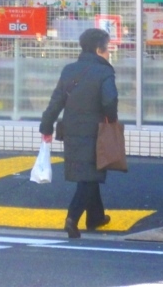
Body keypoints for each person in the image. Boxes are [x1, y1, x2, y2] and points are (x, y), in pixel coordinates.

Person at [40, 28, 119, 239]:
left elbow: (56, 101)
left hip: (71, 129)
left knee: (88, 172)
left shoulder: (69, 70)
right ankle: (72, 218)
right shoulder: (105, 72)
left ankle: (95, 217)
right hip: (96, 130)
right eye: (108, 47)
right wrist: (111, 119)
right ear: (99, 49)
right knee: (89, 175)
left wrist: (46, 127)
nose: (109, 52)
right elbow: (110, 101)